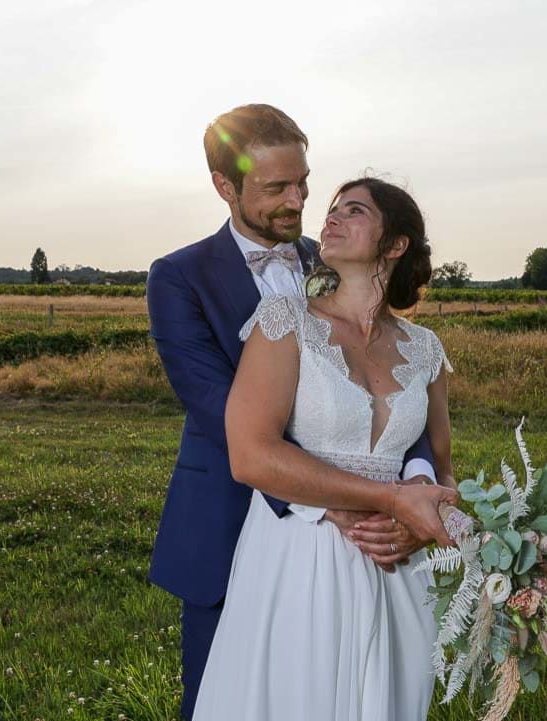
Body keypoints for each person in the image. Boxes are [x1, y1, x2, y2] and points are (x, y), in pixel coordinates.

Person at [145, 105, 444, 721]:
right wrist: (332, 496)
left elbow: (393, 397)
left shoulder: (334, 257)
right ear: (225, 186)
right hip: (234, 519)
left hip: (369, 539)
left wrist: (416, 484)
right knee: (230, 697)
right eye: (276, 187)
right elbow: (219, 408)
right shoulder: (178, 277)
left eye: (303, 182)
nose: (299, 201)